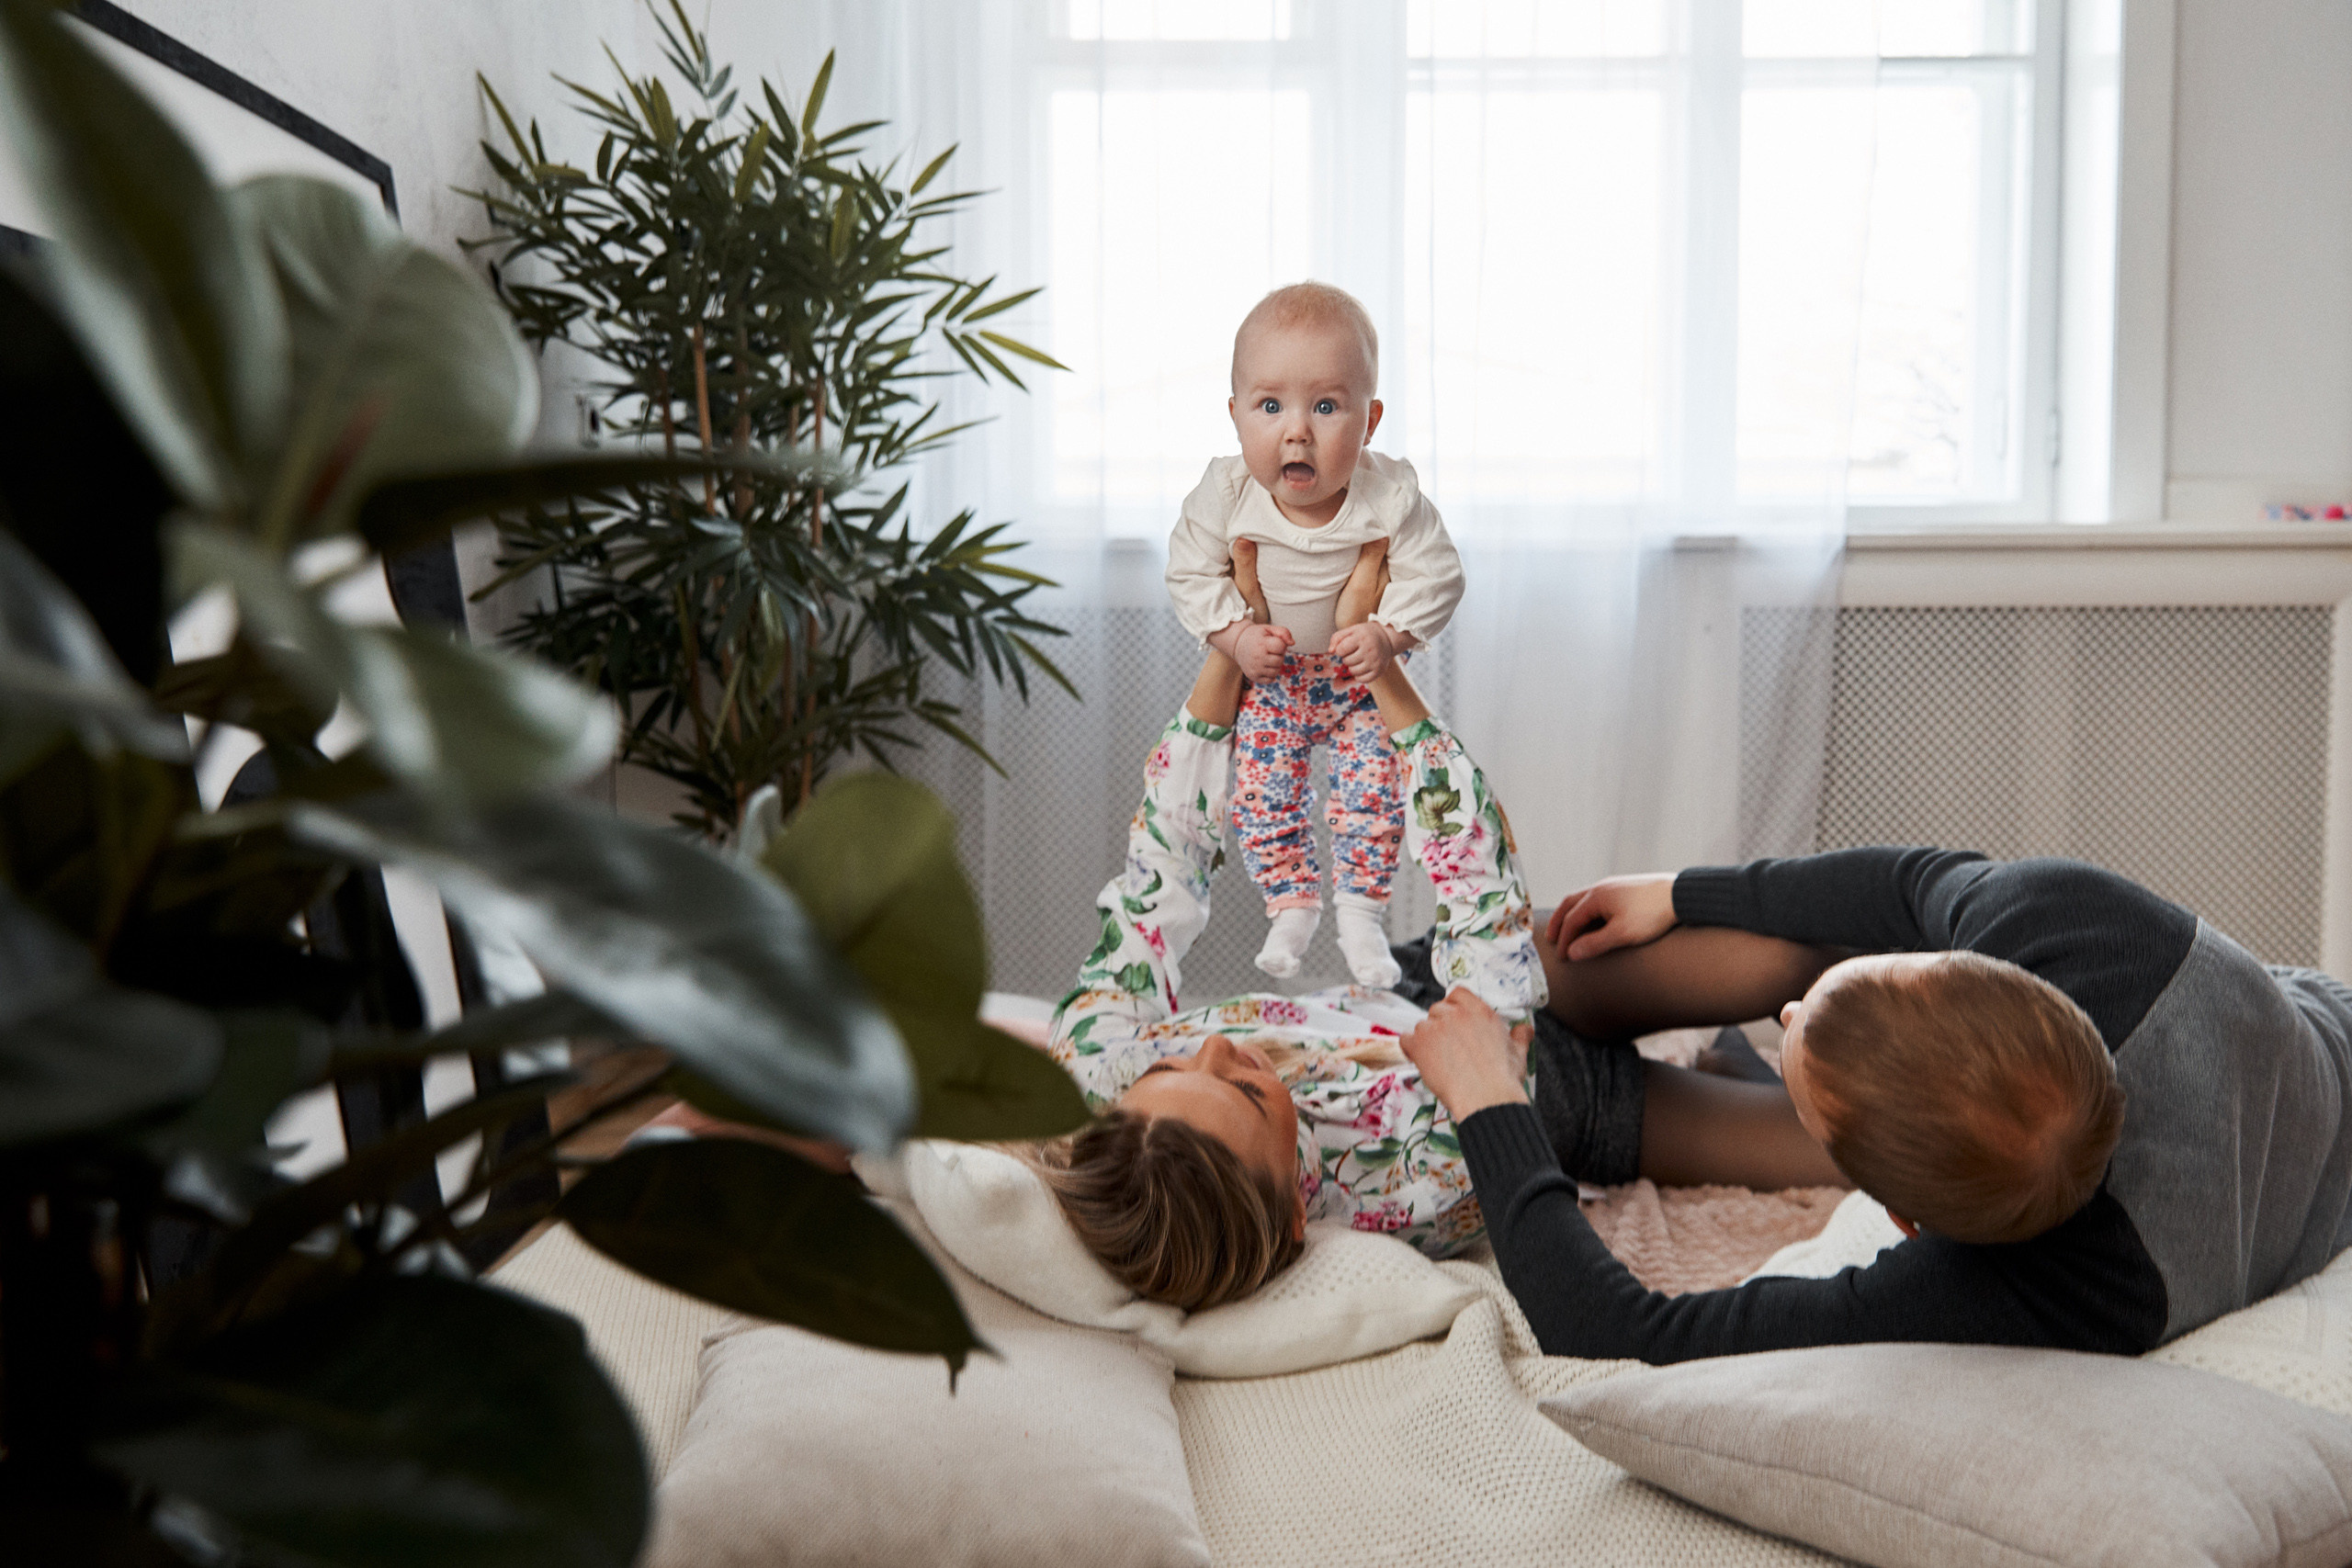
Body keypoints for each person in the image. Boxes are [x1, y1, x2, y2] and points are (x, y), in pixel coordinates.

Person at [1400, 848, 2352, 1362]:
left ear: (1903, 1222)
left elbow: (1614, 1334)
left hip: (2319, 1157)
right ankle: (1468, 979)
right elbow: (1905, 885)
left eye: (1791, 1047)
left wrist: (1489, 1102)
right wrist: (1681, 891)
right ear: (1967, 964)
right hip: (2315, 1034)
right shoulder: (2079, 922)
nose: (1783, 1012)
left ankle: (1568, 1086)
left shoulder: (2064, 1294)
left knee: (1783, 1041)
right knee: (1810, 949)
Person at [1041, 545, 1537, 1310]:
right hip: (1524, 1070)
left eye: (1169, 1067)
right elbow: (1483, 893)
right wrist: (1380, 674)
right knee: (1618, 972)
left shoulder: (1097, 1077)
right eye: (1246, 1090)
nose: (1214, 1047)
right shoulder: (1426, 1175)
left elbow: (1164, 859)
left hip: (1388, 998)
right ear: (1297, 1218)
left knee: (1588, 927)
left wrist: (1235, 639)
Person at [1162, 281, 1464, 987]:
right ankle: (1291, 902)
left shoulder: (1389, 494)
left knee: (1374, 790)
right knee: (1263, 792)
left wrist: (1388, 636)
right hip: (1275, 677)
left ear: (1370, 420)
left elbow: (1438, 575)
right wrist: (1236, 638)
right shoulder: (1227, 493)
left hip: (1356, 680)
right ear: (1235, 415)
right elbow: (1188, 571)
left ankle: (1361, 913)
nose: (1297, 431)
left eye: (1326, 407)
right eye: (1270, 406)